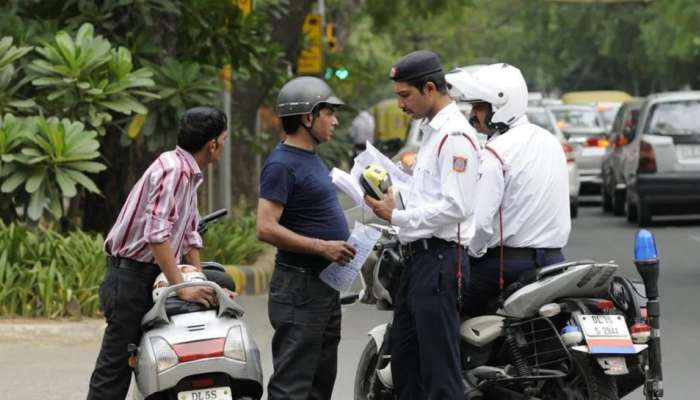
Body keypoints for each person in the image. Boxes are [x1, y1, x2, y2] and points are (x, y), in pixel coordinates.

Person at [87, 106, 230, 400]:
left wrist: (199, 282)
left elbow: (189, 234)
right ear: (212, 143)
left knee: (160, 361)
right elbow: (156, 237)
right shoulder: (175, 170)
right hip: (130, 278)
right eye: (224, 139)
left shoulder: (188, 172)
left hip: (149, 276)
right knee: (114, 371)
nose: (224, 146)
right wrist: (181, 287)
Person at [364, 50, 480, 400]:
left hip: (441, 262)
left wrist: (396, 216)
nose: (401, 104)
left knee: (439, 371)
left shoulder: (455, 136)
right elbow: (425, 194)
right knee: (406, 364)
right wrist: (390, 194)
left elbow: (456, 206)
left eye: (404, 95)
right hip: (417, 261)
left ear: (430, 88)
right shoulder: (432, 133)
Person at [256, 76, 356, 400]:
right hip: (299, 289)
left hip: (323, 287)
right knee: (292, 386)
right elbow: (266, 227)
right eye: (329, 112)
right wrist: (321, 247)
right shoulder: (281, 164)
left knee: (319, 383)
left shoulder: (312, 159)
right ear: (307, 117)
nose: (335, 121)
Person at [446, 63, 571, 317]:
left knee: (442, 305)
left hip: (505, 266)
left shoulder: (496, 151)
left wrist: (472, 252)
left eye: (479, 107)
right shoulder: (550, 141)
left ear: (501, 106)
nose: (473, 115)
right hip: (555, 261)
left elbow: (480, 224)